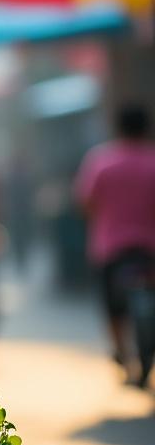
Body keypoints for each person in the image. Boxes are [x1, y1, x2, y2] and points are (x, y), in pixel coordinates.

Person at [75, 104, 155, 386]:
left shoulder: (101, 162)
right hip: (149, 249)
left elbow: (86, 203)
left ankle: (121, 350)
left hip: (111, 248)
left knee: (112, 307)